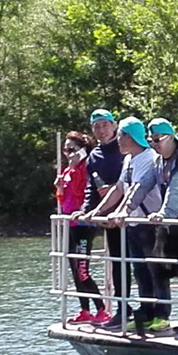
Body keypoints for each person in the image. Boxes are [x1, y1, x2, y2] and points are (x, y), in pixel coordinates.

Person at [129, 118, 178, 335]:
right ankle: (167, 315)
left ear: (171, 137)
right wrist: (126, 208)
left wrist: (164, 214)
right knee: (162, 267)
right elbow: (142, 185)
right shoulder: (158, 161)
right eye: (150, 140)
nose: (153, 144)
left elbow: (177, 189)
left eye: (157, 140)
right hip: (172, 226)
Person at [103, 117, 169, 332]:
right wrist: (98, 211)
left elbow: (137, 189)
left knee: (155, 270)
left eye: (120, 135)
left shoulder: (149, 158)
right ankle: (146, 312)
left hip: (149, 222)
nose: (117, 140)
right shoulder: (128, 159)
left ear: (130, 137)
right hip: (133, 224)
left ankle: (162, 314)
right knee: (140, 270)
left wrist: (121, 212)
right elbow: (120, 188)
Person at [72, 109, 131, 330]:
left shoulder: (126, 148)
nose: (101, 130)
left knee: (144, 264)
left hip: (133, 214)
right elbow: (90, 188)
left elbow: (133, 180)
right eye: (97, 126)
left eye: (105, 125)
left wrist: (115, 190)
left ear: (114, 126)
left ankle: (153, 310)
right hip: (109, 218)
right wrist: (85, 210)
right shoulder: (94, 155)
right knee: (118, 263)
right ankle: (123, 308)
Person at [56, 131, 111, 325]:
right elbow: (64, 201)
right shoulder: (67, 171)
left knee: (82, 270)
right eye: (66, 150)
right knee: (74, 269)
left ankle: (102, 309)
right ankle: (85, 310)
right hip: (71, 225)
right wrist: (60, 188)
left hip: (84, 226)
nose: (68, 154)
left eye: (72, 149)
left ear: (82, 150)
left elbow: (82, 193)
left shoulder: (85, 168)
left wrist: (75, 167)